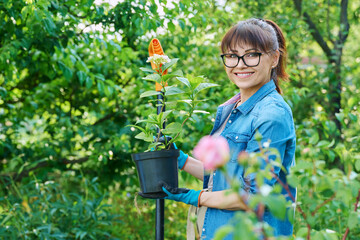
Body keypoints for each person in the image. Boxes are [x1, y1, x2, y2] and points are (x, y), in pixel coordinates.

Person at [161, 18, 296, 239]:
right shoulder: (233, 108)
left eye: (252, 54)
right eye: (232, 56)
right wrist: (181, 160)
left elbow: (253, 195)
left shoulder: (271, 114)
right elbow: (224, 176)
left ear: (274, 58)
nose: (240, 64)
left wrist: (196, 197)